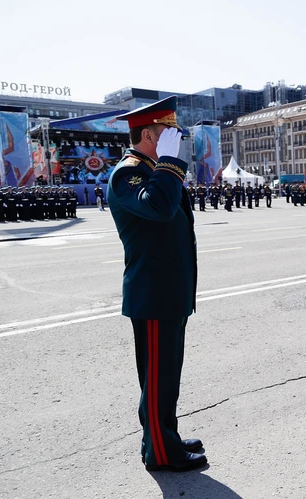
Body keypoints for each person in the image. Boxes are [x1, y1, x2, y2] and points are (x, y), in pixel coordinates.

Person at [107, 95, 206, 471]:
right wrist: (170, 162)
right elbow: (160, 208)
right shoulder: (128, 173)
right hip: (153, 294)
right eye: (168, 132)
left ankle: (165, 437)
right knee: (157, 379)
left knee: (166, 377)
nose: (176, 139)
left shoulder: (154, 170)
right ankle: (161, 453)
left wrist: (166, 164)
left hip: (169, 292)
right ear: (148, 135)